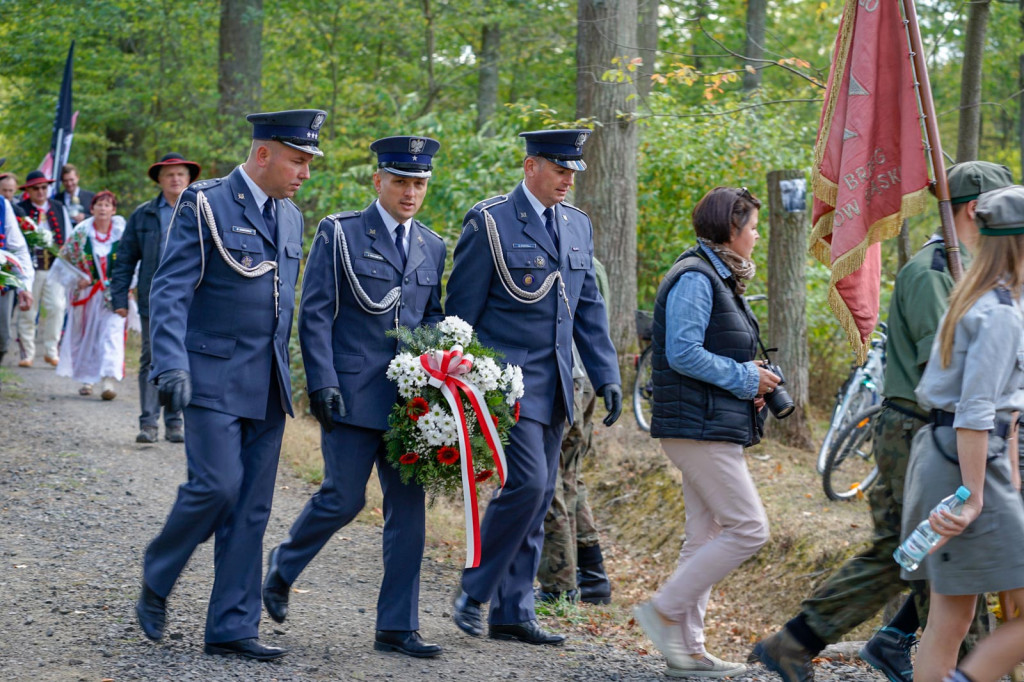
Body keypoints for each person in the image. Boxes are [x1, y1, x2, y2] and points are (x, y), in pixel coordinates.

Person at [750, 161, 1013, 682]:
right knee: (935, 564)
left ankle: (837, 641)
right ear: (973, 211)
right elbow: (947, 371)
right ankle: (948, 662)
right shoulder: (932, 273)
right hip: (919, 429)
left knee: (915, 556)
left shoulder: (967, 270)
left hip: (943, 430)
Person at [136, 109, 325, 661]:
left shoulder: (289, 217)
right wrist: (168, 364)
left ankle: (231, 626)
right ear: (263, 154)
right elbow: (170, 289)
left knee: (251, 508)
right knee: (216, 486)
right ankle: (158, 573)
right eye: (298, 160)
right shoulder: (206, 201)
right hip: (210, 375)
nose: (305, 173)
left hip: (266, 383)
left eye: (309, 162)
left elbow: (288, 309)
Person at [262, 135, 447, 659]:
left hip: (410, 403)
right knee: (343, 498)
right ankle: (283, 565)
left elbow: (431, 316)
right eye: (401, 182)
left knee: (409, 513)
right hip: (348, 390)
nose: (410, 193)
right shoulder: (341, 233)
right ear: (378, 182)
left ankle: (397, 626)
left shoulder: (432, 244)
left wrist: (449, 362)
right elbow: (316, 311)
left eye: (418, 184)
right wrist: (321, 381)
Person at [446, 129, 622, 646]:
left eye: (573, 171)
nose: (568, 179)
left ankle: (513, 610)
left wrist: (607, 374)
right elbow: (462, 311)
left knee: (543, 491)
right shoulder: (491, 221)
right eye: (559, 169)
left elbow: (588, 309)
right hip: (505, 383)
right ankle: (475, 587)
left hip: (559, 384)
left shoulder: (577, 226)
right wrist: (459, 381)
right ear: (531, 167)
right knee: (525, 484)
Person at [632, 186, 777, 678]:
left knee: (705, 534)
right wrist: (744, 378)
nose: (757, 235)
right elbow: (683, 352)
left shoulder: (719, 276)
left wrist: (750, 377)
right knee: (749, 527)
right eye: (753, 226)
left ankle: (687, 650)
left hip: (706, 421)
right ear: (731, 229)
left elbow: (712, 348)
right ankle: (663, 610)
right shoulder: (696, 277)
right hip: (698, 427)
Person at [898, 183, 1024, 682]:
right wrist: (972, 498)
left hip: (951, 458)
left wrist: (1012, 481)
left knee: (951, 617)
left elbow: (1004, 412)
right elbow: (976, 411)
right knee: (956, 615)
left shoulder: (979, 298)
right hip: (967, 464)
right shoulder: (999, 316)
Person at [110, 152, 201, 443]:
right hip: (154, 298)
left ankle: (175, 422)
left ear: (189, 179)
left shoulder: (202, 212)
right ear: (160, 180)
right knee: (152, 357)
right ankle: (148, 423)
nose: (175, 179)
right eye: (169, 174)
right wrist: (120, 299)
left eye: (180, 174)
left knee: (184, 356)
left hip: (194, 299)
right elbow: (125, 259)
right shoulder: (144, 214)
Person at [537, 256, 613, 605]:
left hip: (569, 376)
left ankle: (559, 583)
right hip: (587, 377)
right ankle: (592, 576)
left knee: (549, 478)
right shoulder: (589, 260)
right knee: (568, 476)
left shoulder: (570, 260)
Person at [50, 191, 127, 399]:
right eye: (99, 205)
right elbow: (63, 264)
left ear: (114, 210)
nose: (103, 209)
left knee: (111, 334)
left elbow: (132, 262)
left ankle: (108, 381)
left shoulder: (121, 233)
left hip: (113, 295)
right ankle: (87, 379)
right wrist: (77, 280)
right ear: (91, 209)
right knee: (89, 336)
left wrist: (126, 284)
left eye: (107, 205)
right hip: (88, 295)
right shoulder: (81, 234)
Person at [14, 169, 72, 367]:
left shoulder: (58, 207)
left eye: (43, 187)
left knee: (57, 307)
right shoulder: (20, 209)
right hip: (30, 267)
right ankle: (27, 353)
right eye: (36, 188)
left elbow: (69, 235)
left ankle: (51, 350)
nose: (40, 191)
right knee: (28, 311)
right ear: (28, 191)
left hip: (54, 267)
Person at [0, 157, 35, 379]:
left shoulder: (3, 206)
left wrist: (24, 286)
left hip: (1, 286)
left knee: (2, 339)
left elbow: (19, 249)